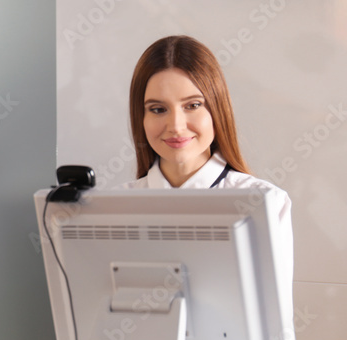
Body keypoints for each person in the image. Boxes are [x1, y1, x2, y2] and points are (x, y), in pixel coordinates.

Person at [121, 35, 292, 278]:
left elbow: (276, 314)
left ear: (217, 109)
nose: (176, 126)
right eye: (158, 109)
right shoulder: (113, 206)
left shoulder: (265, 203)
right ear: (141, 118)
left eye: (192, 105)